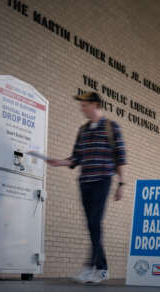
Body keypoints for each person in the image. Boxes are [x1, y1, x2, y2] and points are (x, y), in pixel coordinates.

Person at [47, 91, 126, 284]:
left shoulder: (111, 127)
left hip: (102, 180)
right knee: (92, 225)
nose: (81, 108)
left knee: (94, 222)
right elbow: (76, 157)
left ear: (95, 104)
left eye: (84, 104)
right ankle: (102, 268)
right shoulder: (82, 130)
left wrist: (121, 184)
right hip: (85, 182)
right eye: (81, 105)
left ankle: (92, 266)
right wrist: (59, 162)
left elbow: (121, 156)